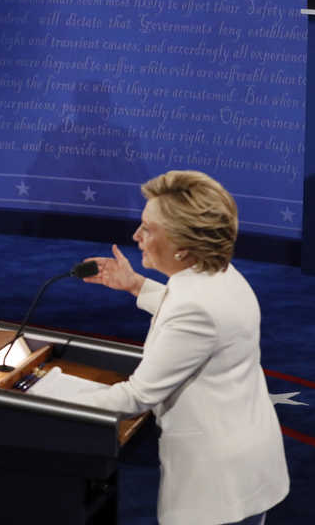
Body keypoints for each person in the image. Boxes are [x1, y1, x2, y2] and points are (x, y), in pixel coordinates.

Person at [76, 170, 289, 525]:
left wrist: (42, 400)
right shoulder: (219, 275)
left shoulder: (195, 307)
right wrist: (136, 285)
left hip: (217, 488)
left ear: (183, 245)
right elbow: (202, 320)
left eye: (148, 228)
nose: (136, 236)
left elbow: (137, 395)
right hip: (246, 462)